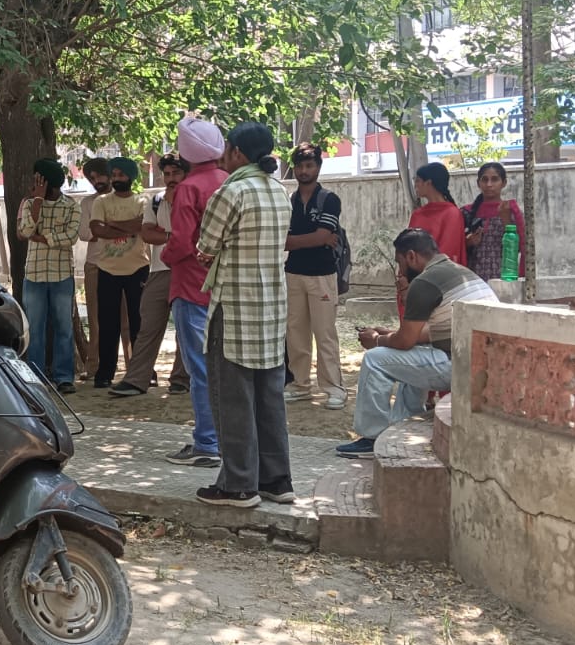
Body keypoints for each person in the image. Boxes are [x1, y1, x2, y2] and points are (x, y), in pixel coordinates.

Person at [194, 122, 293, 508]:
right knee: (270, 397)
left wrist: (215, 252)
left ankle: (238, 484)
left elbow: (205, 246)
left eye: (227, 148)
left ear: (237, 152)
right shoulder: (279, 192)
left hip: (234, 307)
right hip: (271, 308)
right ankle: (276, 480)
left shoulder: (230, 192)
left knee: (233, 398)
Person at [339, 227, 498, 458]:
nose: (399, 271)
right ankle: (404, 424)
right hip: (483, 366)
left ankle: (371, 438)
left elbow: (404, 341)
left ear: (411, 256)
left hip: (461, 368)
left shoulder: (425, 282)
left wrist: (376, 340)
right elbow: (430, 332)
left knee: (375, 359)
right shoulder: (458, 272)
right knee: (412, 353)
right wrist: (390, 334)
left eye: (400, 263)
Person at [160, 117, 227, 468]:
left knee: (199, 368)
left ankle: (206, 442)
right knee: (224, 365)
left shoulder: (189, 188)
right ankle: (227, 438)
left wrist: (165, 256)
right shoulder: (229, 181)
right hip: (225, 286)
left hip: (190, 285)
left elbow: (182, 242)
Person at [111, 153, 190, 398]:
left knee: (185, 328)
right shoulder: (156, 200)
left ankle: (181, 379)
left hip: (188, 270)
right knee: (148, 326)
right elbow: (147, 234)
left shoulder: (194, 199)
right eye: (167, 174)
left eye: (176, 173)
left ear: (186, 174)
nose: (171, 178)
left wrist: (165, 232)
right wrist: (171, 236)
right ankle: (136, 379)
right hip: (158, 270)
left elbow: (192, 235)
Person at [283, 144, 347, 410]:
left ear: (318, 167)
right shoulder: (289, 201)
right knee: (295, 333)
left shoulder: (330, 199)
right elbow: (290, 240)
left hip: (322, 274)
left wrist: (295, 241)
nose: (303, 171)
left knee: (325, 334)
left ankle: (334, 388)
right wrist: (313, 239)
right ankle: (300, 385)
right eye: (299, 166)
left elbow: (322, 236)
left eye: (309, 165)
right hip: (293, 273)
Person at [17, 158, 81, 393]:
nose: (34, 182)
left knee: (64, 327)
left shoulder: (72, 206)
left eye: (38, 178)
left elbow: (71, 237)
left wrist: (42, 238)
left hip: (62, 275)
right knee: (35, 328)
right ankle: (36, 377)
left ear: (45, 181)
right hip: (34, 275)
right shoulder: (29, 203)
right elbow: (25, 231)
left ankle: (64, 377)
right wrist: (37, 201)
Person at [89, 157, 149, 389]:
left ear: (130, 177)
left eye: (121, 175)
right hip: (107, 269)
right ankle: (105, 373)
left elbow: (142, 226)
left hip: (138, 268)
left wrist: (112, 224)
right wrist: (129, 227)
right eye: (113, 175)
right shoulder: (101, 201)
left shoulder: (142, 200)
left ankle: (143, 371)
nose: (116, 179)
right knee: (108, 324)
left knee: (139, 323)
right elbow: (97, 229)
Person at [76, 156, 122, 374]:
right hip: (95, 265)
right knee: (96, 318)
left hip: (125, 264)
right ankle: (94, 367)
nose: (97, 181)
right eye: (92, 178)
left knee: (127, 319)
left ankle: (135, 368)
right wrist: (115, 229)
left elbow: (136, 230)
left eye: (100, 176)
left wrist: (102, 229)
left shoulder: (127, 199)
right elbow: (85, 233)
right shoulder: (87, 203)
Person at [462, 161, 524, 281]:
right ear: (478, 183)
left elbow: (520, 249)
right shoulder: (466, 213)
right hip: (473, 279)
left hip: (503, 278)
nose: (489, 184)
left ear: (504, 183)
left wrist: (506, 219)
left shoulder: (512, 212)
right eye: (484, 180)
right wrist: (469, 242)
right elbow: (455, 247)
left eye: (494, 179)